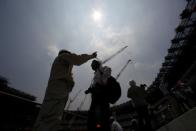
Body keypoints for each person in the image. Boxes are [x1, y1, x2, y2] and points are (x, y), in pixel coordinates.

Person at [33, 50, 97, 131]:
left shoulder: (60, 65)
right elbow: (77, 59)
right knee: (50, 117)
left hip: (58, 91)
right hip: (57, 91)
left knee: (52, 117)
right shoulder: (63, 56)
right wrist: (91, 56)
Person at [85, 60, 111, 131]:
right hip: (95, 97)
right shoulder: (95, 74)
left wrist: (101, 71)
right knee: (92, 116)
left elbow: (105, 80)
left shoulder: (104, 69)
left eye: (92, 64)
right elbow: (94, 85)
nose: (91, 66)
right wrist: (89, 90)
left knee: (103, 116)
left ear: (97, 64)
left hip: (102, 96)